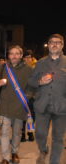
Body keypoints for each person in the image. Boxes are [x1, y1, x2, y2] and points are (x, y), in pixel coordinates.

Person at [28, 34, 66, 164]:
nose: (54, 44)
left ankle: (54, 161)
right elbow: (31, 82)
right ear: (48, 45)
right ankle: (43, 149)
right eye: (52, 42)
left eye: (58, 42)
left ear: (62, 45)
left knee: (58, 138)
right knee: (40, 134)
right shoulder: (40, 63)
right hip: (42, 105)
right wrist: (40, 81)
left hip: (61, 107)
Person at [0, 45, 33, 164]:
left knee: (17, 132)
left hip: (20, 106)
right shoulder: (3, 67)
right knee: (4, 132)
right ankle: (5, 157)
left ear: (21, 55)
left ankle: (14, 152)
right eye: (11, 53)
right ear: (8, 55)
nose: (14, 56)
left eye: (16, 54)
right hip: (4, 105)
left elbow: (32, 86)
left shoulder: (28, 69)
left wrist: (27, 97)